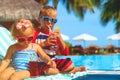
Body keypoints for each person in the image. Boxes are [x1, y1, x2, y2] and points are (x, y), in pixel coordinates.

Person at [32, 6, 86, 74]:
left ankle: (63, 71)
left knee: (70, 64)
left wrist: (60, 38)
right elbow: (30, 48)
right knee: (51, 71)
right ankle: (66, 72)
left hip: (53, 62)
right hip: (40, 62)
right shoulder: (35, 33)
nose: (49, 22)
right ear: (39, 20)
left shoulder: (54, 35)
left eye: (53, 20)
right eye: (46, 19)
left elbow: (65, 53)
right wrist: (44, 44)